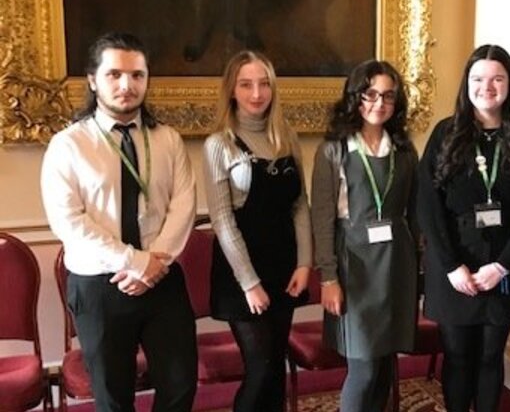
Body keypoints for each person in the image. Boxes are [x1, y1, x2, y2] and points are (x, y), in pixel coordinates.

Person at [41, 32, 198, 411]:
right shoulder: (68, 145)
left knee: (180, 386)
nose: (127, 85)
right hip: (99, 286)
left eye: (137, 75)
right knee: (113, 398)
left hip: (162, 279)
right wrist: (135, 262)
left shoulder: (168, 140)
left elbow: (184, 205)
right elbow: (69, 222)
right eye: (114, 75)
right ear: (93, 80)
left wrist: (155, 262)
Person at [417, 44, 510, 412]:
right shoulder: (445, 135)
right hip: (453, 268)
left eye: (496, 78)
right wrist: (450, 267)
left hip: (501, 269)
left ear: (509, 84)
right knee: (458, 357)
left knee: (491, 358)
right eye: (478, 78)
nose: (486, 87)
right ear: (466, 84)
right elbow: (428, 207)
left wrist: (502, 265)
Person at [202, 50, 312, 411]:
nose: (256, 93)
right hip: (241, 276)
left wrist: (304, 264)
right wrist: (249, 282)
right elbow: (222, 220)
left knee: (276, 369)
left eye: (264, 84)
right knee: (260, 368)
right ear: (232, 90)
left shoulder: (286, 137)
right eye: (246, 84)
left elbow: (299, 204)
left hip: (284, 268)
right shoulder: (219, 144)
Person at [311, 60, 419, 412]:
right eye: (370, 94)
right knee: (365, 366)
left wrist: (420, 271)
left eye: (388, 95)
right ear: (355, 96)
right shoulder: (334, 149)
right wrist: (328, 277)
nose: (379, 103)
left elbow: (415, 213)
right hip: (353, 267)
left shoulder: (404, 150)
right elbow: (323, 218)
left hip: (396, 265)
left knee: (386, 363)